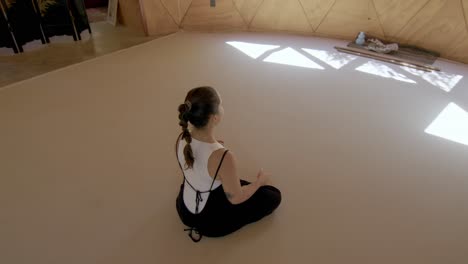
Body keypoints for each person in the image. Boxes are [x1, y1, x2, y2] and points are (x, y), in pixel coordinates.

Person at [175, 86, 282, 242]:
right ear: (214, 118)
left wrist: (212, 146)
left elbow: (197, 160)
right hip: (209, 222)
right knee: (273, 195)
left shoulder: (182, 138)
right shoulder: (224, 157)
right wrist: (260, 182)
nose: (222, 108)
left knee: (219, 178)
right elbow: (236, 199)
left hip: (183, 209)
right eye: (220, 105)